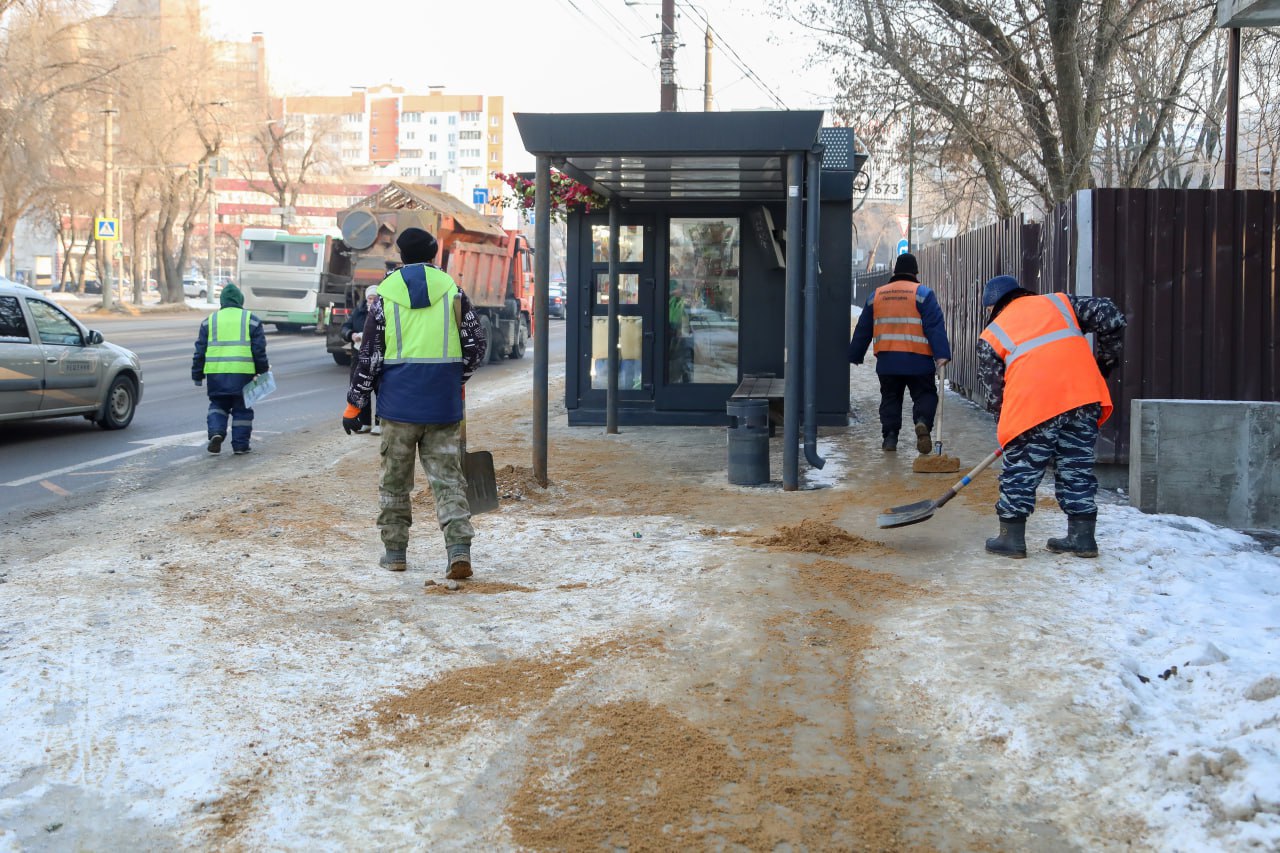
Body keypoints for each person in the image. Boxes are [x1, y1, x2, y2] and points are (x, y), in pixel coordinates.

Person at [342, 227, 486, 579]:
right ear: (435, 254)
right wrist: (456, 380)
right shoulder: (453, 292)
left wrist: (355, 404)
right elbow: (475, 346)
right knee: (448, 481)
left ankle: (394, 553)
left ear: (401, 256)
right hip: (443, 406)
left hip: (397, 408)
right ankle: (457, 551)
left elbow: (370, 356)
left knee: (394, 482)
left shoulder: (384, 297)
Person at [977, 274, 1127, 559]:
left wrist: (1010, 431)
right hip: (1083, 396)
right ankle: (1082, 539)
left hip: (1034, 406)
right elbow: (1110, 314)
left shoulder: (992, 334)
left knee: (1021, 470)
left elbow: (996, 394)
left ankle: (1011, 539)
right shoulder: (1059, 304)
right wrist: (1105, 361)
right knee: (1076, 467)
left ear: (993, 307)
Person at [848, 252, 951, 452]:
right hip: (918, 360)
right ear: (915, 272)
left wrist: (856, 353)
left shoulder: (876, 295)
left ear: (894, 271)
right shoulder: (923, 294)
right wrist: (941, 355)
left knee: (890, 398)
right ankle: (922, 422)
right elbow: (935, 326)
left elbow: (863, 327)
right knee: (925, 395)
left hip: (887, 362)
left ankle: (890, 437)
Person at [192, 283, 270, 455]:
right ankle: (240, 445)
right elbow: (259, 350)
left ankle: (216, 433)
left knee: (218, 405)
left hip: (216, 375)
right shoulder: (252, 320)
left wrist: (197, 374)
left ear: (222, 301)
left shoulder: (209, 321)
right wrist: (262, 371)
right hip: (243, 374)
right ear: (240, 301)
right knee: (242, 409)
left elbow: (200, 351)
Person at [340, 284, 379, 434]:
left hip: (377, 355)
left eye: (374, 298)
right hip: (358, 354)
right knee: (359, 386)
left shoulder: (381, 311)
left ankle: (379, 422)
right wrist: (351, 335)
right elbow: (345, 327)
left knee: (379, 388)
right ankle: (364, 422)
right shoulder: (359, 311)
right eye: (369, 298)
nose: (371, 300)